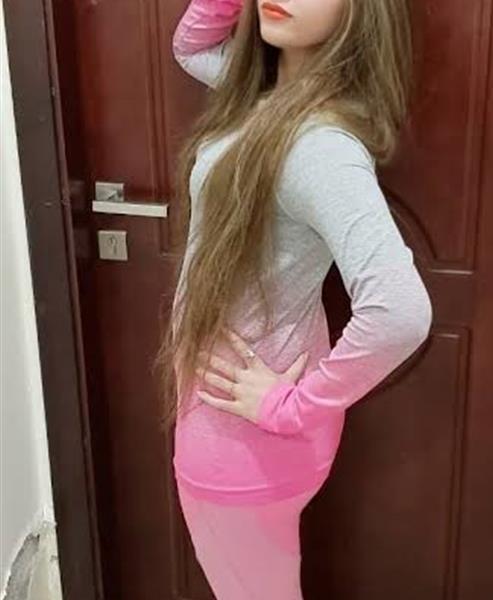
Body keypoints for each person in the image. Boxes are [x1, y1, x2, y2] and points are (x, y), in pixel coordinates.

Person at [157, 0, 433, 597]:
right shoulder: (266, 100)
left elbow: (401, 312)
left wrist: (290, 406)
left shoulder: (315, 146)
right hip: (247, 441)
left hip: (242, 447)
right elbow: (191, 45)